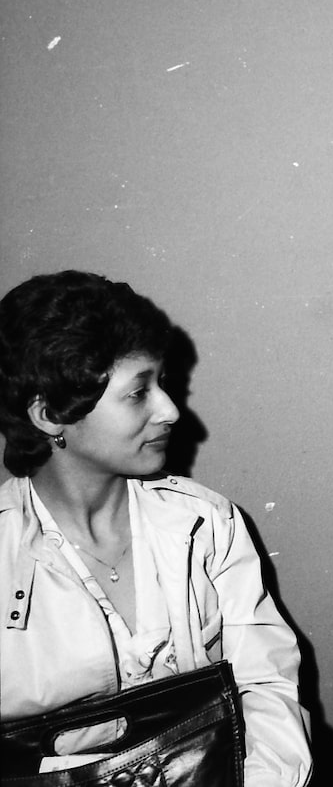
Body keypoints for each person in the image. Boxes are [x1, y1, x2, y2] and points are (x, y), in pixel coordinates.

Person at [0, 270, 312, 786]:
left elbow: (266, 686)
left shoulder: (205, 523)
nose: (169, 410)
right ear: (51, 414)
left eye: (162, 383)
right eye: (138, 392)